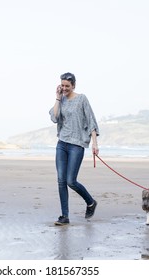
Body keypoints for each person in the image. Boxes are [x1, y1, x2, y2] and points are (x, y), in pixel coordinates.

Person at [49, 72, 100, 226]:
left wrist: (95, 143)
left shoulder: (82, 99)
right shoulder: (61, 100)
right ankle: (64, 216)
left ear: (74, 86)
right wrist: (58, 98)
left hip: (77, 144)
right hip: (62, 144)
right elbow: (54, 117)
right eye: (62, 85)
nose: (64, 88)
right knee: (60, 180)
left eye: (67, 86)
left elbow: (91, 120)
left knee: (71, 181)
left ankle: (90, 202)